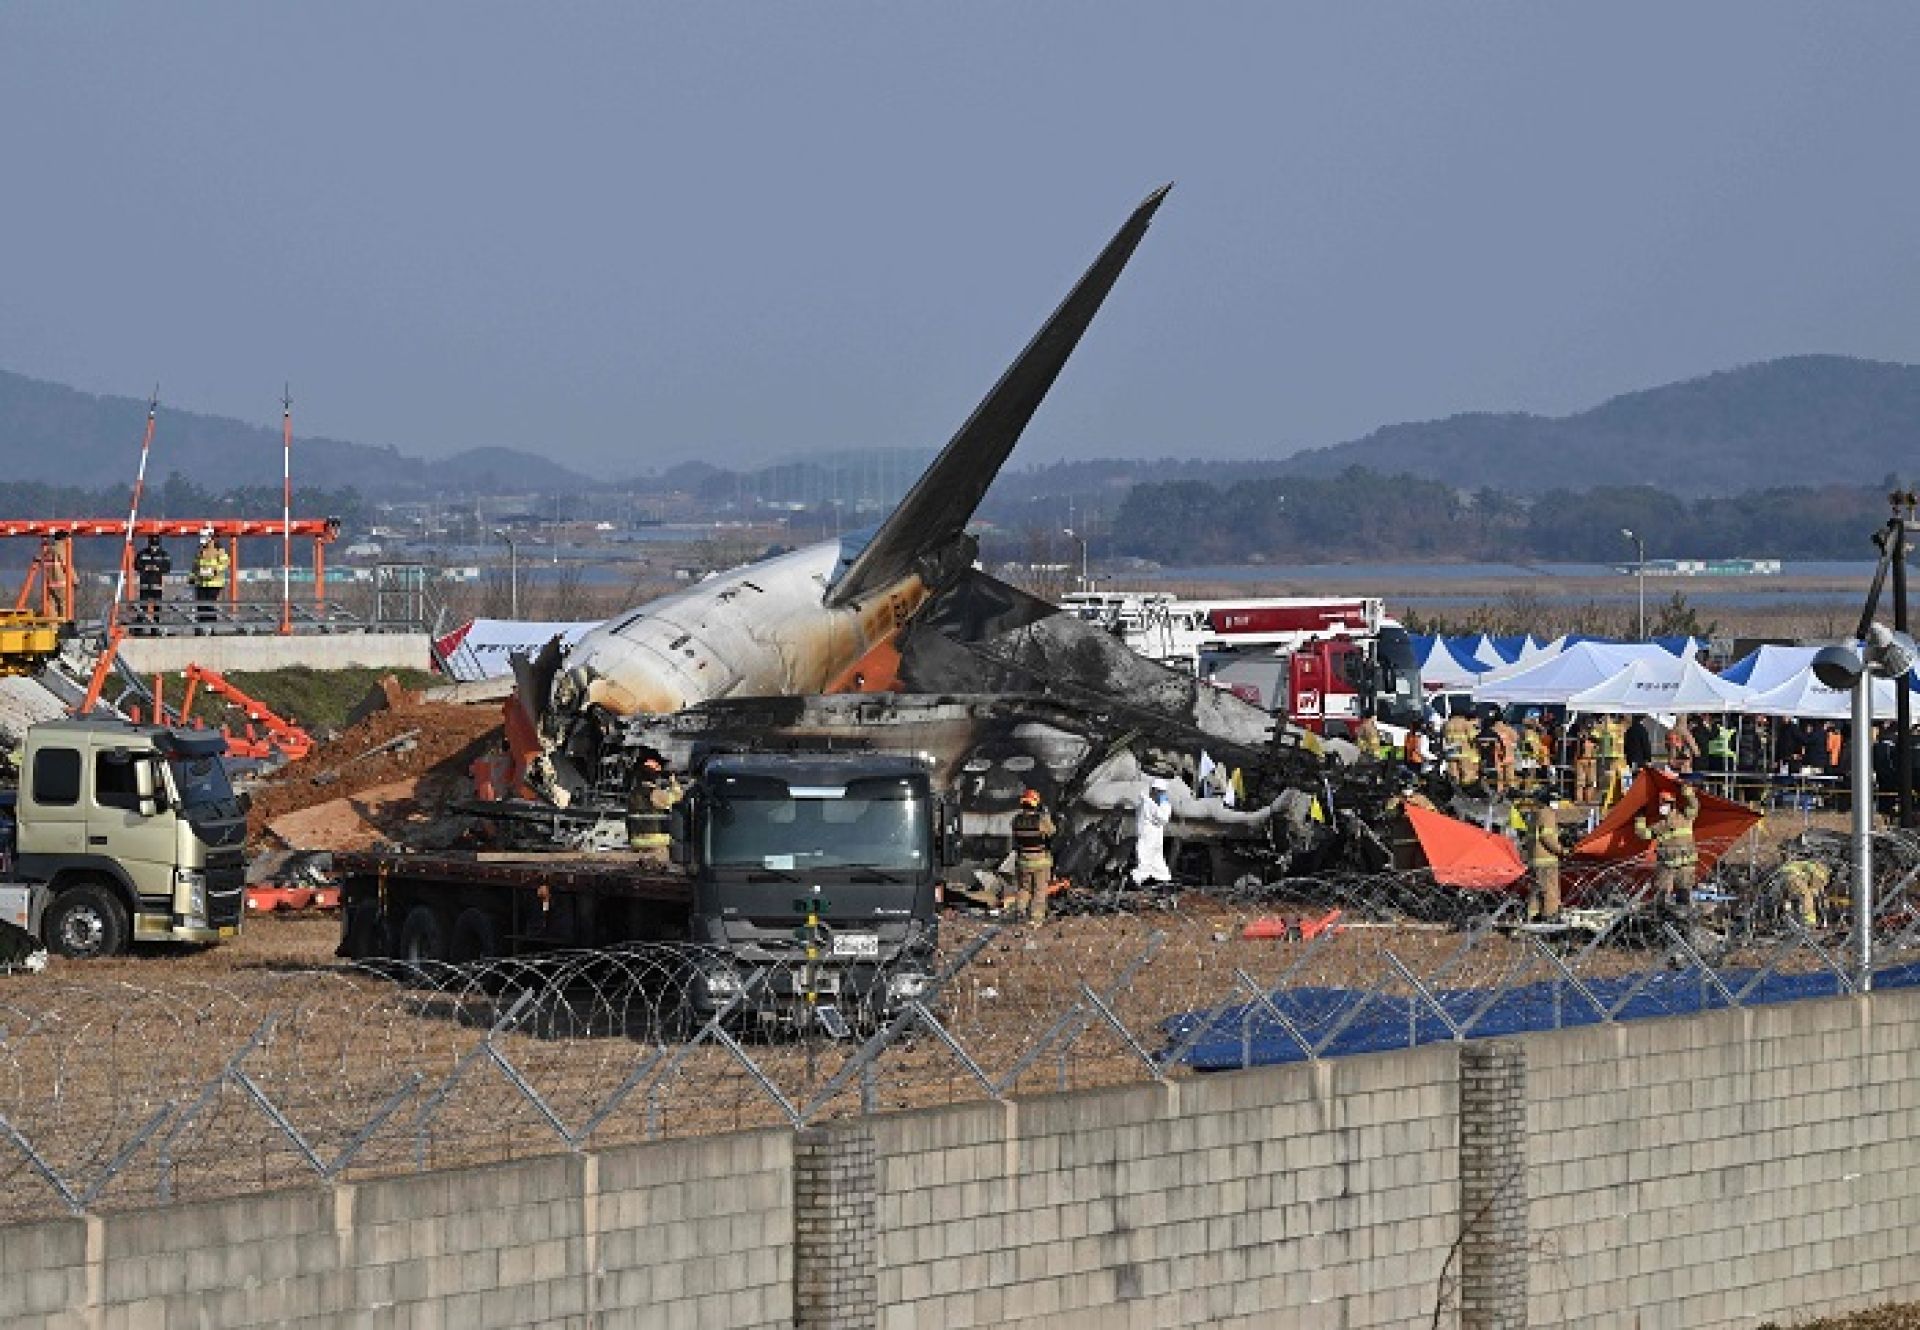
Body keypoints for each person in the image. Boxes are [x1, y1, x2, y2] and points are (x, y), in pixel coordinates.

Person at [1633, 784, 1700, 915]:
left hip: (1685, 867)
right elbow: (1643, 834)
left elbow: (1694, 806)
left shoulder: (1685, 817)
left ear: (1672, 804)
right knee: (1661, 896)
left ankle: (1683, 919)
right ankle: (1661, 918)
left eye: (1665, 803)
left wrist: (1688, 793)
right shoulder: (1659, 825)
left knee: (1683, 895)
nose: (1662, 806)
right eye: (1661, 804)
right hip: (1666, 866)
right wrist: (1640, 817)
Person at [1008, 788, 1057, 924]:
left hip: (1023, 860)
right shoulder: (1040, 820)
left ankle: (1020, 910)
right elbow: (1052, 831)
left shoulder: (1016, 820)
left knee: (1024, 888)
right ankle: (1036, 918)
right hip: (1040, 861)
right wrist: (1047, 816)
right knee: (1039, 890)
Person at [626, 754, 682, 850]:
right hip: (652, 840)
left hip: (635, 840)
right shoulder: (654, 793)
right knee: (679, 839)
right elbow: (677, 797)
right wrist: (673, 782)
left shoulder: (633, 793)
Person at [1524, 793, 1566, 922]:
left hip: (1534, 859)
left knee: (1536, 889)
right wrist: (1562, 851)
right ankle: (1550, 916)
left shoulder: (1533, 815)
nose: (1558, 805)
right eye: (1556, 801)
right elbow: (1547, 838)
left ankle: (1532, 916)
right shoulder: (1547, 814)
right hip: (1547, 860)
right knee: (1550, 890)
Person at [1130, 775, 1174, 887]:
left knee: (1158, 862)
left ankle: (1163, 881)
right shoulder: (1148, 804)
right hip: (1148, 837)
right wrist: (1165, 804)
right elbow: (1162, 818)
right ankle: (1133, 882)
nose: (1162, 795)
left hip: (1154, 838)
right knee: (1145, 862)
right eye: (1161, 793)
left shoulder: (1151, 804)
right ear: (1154, 791)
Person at [190, 527, 230, 634]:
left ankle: (211, 628)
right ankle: (201, 628)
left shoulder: (218, 550)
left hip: (214, 583)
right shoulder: (200, 550)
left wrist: (215, 570)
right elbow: (195, 566)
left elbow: (225, 563)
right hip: (201, 582)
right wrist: (192, 577)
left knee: (210, 606)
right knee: (201, 607)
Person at [1777, 856, 1832, 930]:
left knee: (1792, 898)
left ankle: (1788, 915)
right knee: (1806, 895)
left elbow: (1818, 887)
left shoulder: (1811, 866)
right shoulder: (1818, 871)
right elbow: (1816, 885)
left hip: (1784, 875)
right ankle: (1809, 922)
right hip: (1792, 875)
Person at [133, 534, 171, 635]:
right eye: (152, 546)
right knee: (142, 609)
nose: (154, 548)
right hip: (145, 585)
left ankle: (155, 630)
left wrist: (158, 569)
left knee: (157, 609)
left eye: (155, 546)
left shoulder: (163, 554)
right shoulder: (142, 554)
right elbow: (136, 565)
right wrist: (145, 568)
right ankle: (139, 629)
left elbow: (167, 568)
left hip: (157, 586)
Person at [1595, 715, 1628, 804]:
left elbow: (1595, 736)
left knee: (1607, 777)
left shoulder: (1605, 727)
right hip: (1619, 757)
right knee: (1619, 778)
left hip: (1609, 756)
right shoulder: (1621, 728)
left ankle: (1607, 797)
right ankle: (1618, 797)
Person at [1574, 721, 1599, 804]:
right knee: (1584, 782)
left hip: (1587, 760)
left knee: (1587, 781)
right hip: (1586, 760)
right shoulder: (1583, 739)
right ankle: (1582, 799)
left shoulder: (1589, 739)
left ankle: (1585, 799)